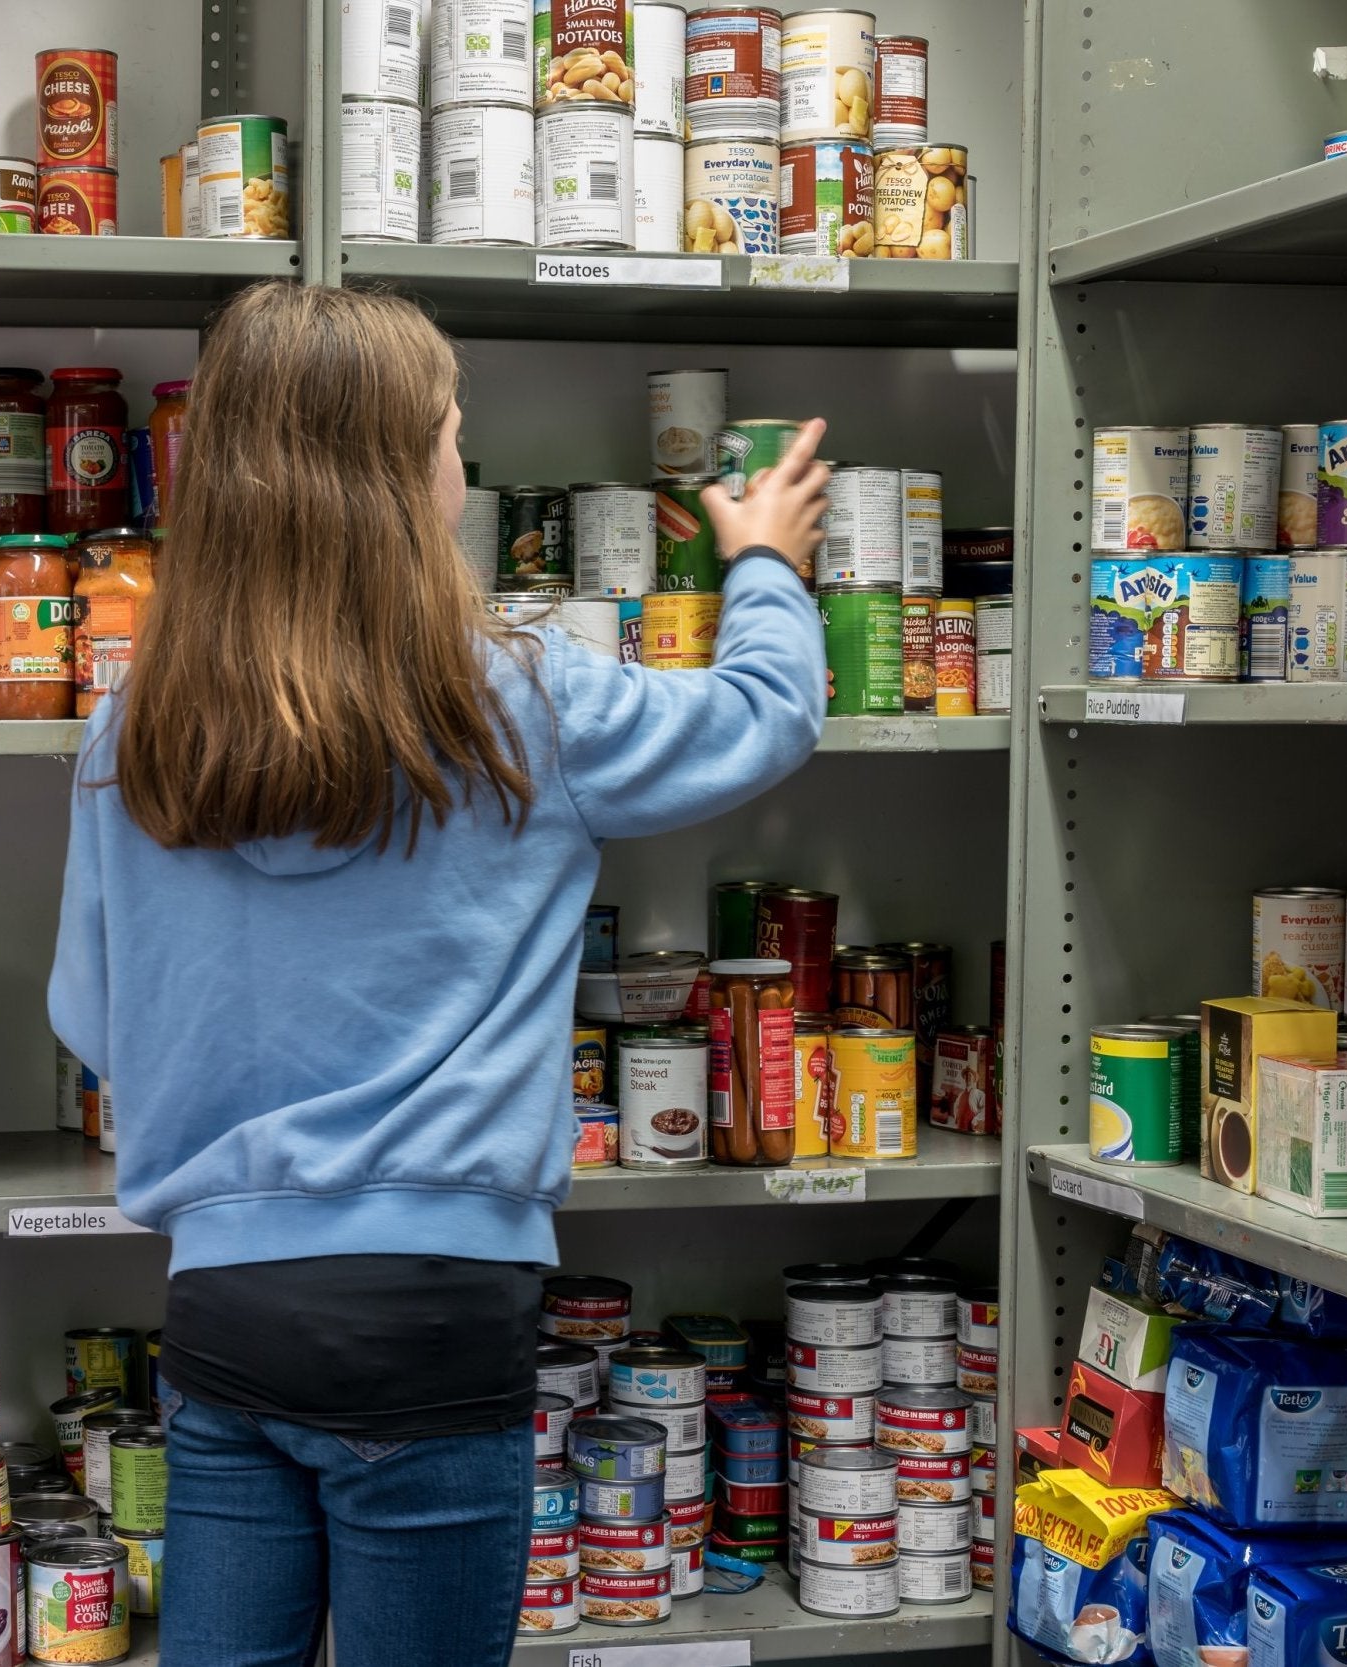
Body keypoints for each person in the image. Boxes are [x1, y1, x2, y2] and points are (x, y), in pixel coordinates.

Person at [49, 281, 830, 1667]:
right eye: (450, 435)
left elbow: (93, 1021)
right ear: (405, 476)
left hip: (221, 1305)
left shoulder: (136, 724)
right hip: (435, 1306)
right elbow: (762, 720)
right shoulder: (513, 699)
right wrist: (761, 562)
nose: (459, 465)